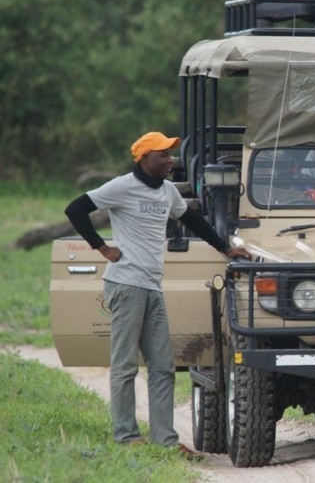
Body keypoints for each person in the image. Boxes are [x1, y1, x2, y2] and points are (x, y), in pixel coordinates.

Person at [64, 131, 250, 459]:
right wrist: (102, 247)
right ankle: (127, 436)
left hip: (152, 286)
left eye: (170, 153)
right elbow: (76, 209)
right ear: (145, 158)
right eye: (163, 154)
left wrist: (225, 248)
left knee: (163, 366)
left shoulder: (167, 191)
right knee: (125, 365)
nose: (171, 160)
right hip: (126, 285)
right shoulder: (121, 187)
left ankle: (164, 440)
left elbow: (192, 219)